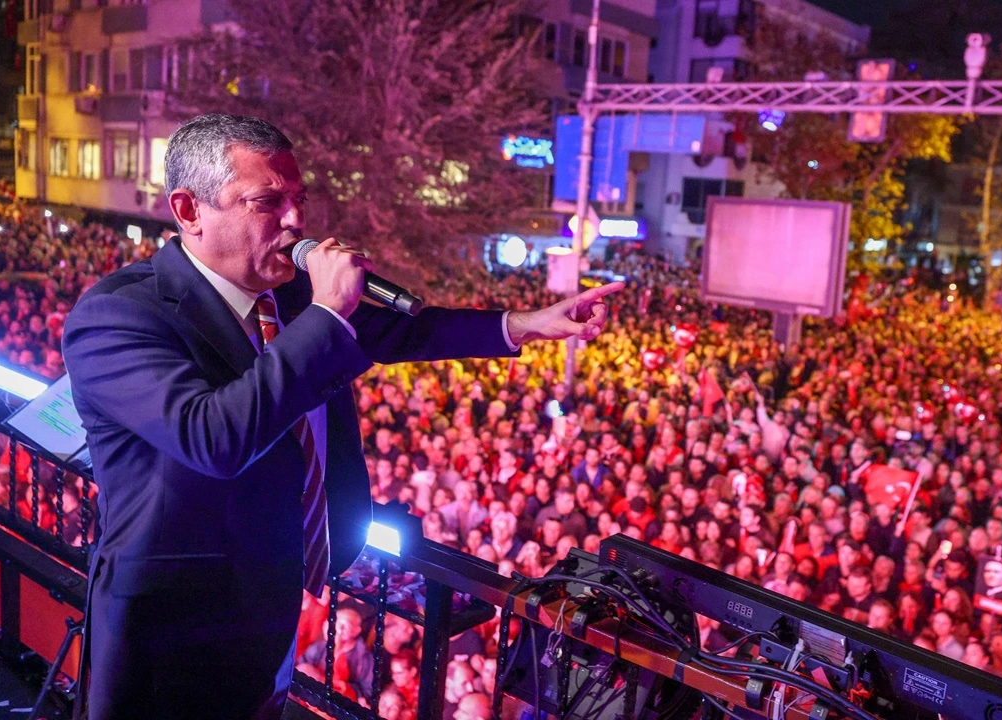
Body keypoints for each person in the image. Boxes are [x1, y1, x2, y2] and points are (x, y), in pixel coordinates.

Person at [61, 114, 621, 719]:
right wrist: (327, 316)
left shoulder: (289, 293)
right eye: (267, 202)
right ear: (189, 209)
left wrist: (523, 325)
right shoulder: (120, 315)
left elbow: (410, 329)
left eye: (298, 200)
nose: (295, 221)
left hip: (272, 596)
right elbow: (213, 437)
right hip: (173, 624)